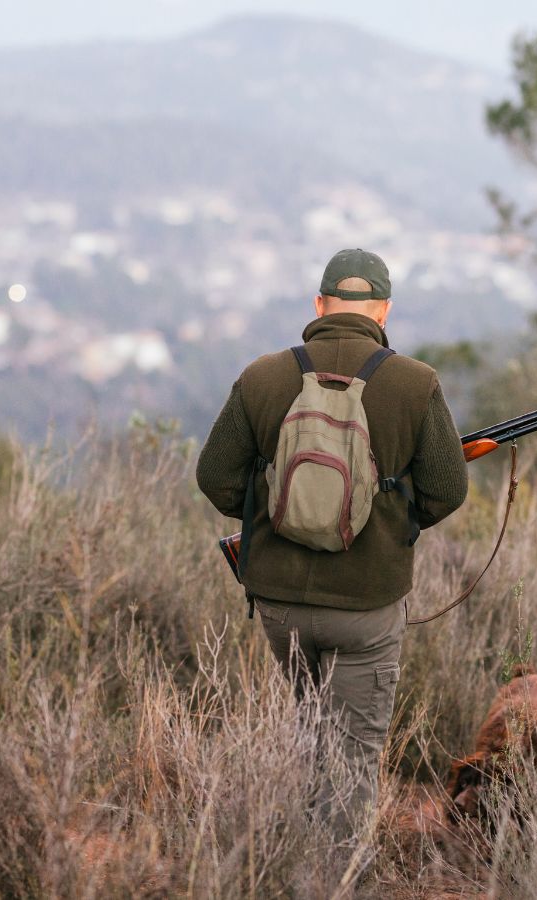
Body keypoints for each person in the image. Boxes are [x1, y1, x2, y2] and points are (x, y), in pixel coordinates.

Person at [195, 248, 468, 841]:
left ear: (319, 305)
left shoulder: (262, 375)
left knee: (315, 731)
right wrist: (392, 521)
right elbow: (447, 490)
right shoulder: (416, 383)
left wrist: (276, 515)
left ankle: (295, 856)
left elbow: (215, 476)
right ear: (384, 311)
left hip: (279, 603)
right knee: (351, 757)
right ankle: (334, 876)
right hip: (367, 606)